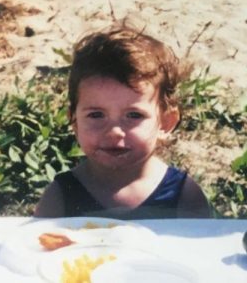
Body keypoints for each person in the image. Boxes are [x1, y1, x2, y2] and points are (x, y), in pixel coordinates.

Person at [34, 26, 212, 218]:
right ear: (74, 121)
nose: (114, 132)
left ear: (166, 122)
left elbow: (200, 246)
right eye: (96, 115)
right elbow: (37, 245)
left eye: (134, 115)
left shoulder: (183, 195)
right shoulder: (61, 196)